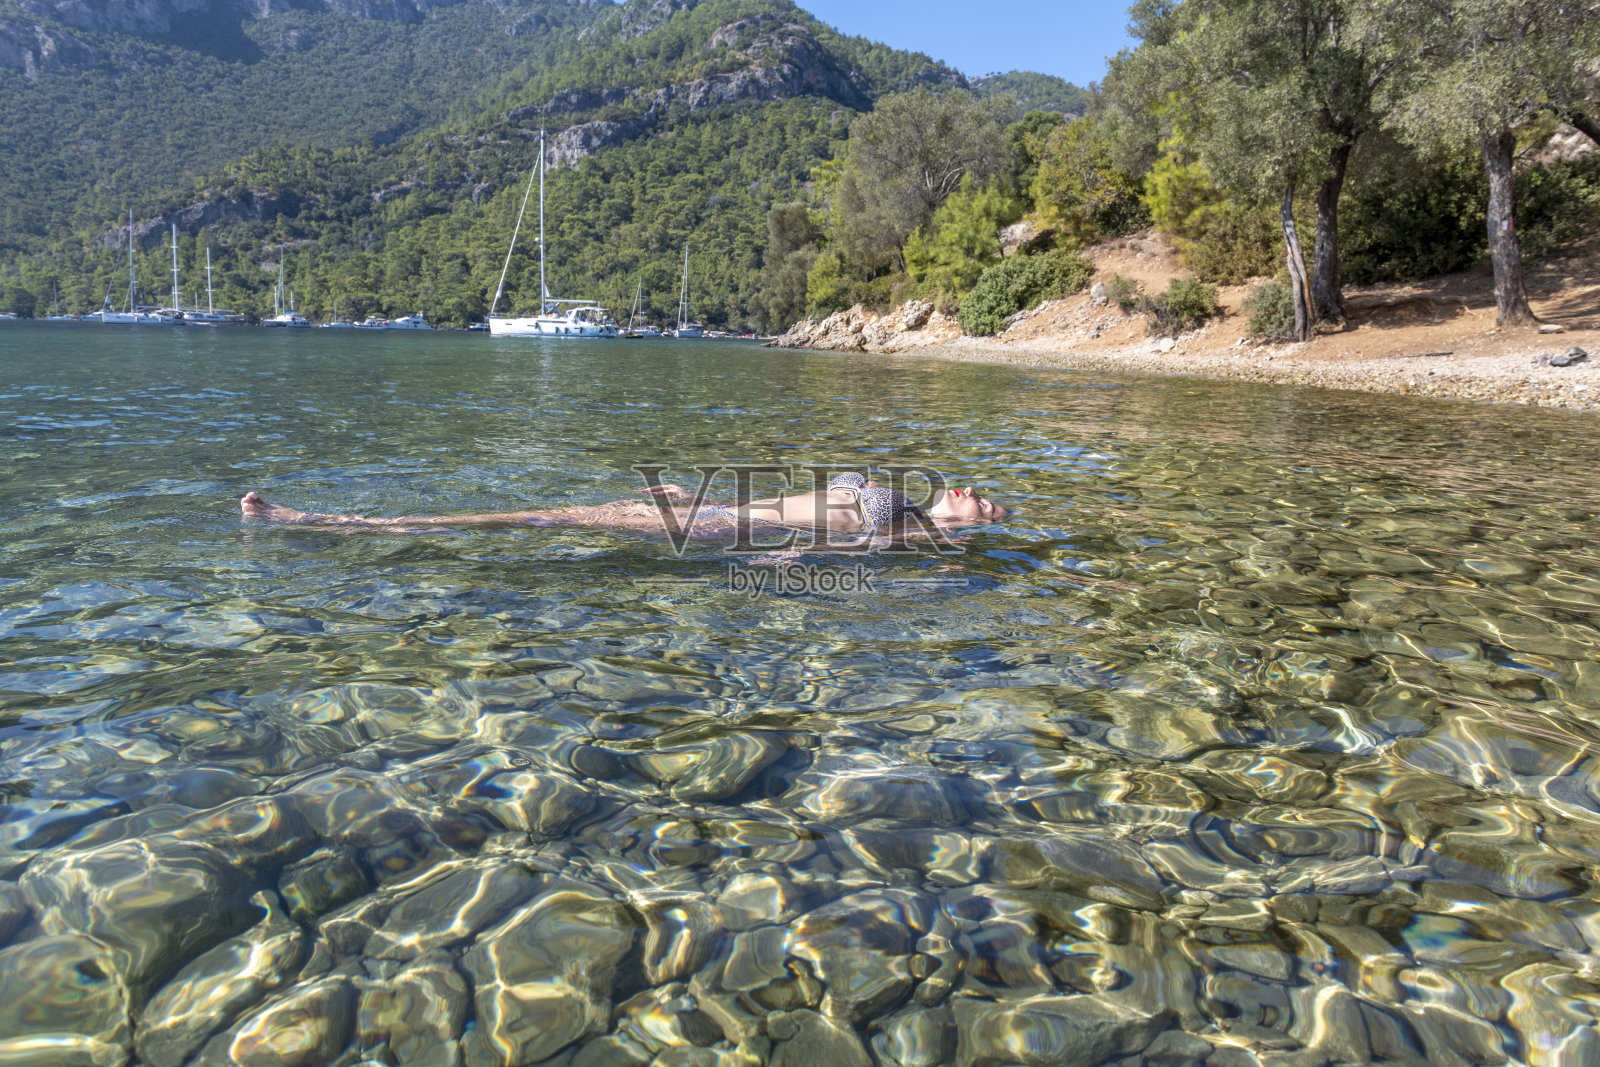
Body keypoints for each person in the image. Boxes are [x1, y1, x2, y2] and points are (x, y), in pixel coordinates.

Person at [238, 472, 1006, 539]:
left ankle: (320, 523)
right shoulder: (898, 501)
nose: (970, 491)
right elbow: (791, 500)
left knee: (545, 520)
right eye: (974, 487)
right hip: (715, 512)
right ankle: (336, 522)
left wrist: (784, 555)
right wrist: (691, 490)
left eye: (984, 503)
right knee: (553, 514)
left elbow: (824, 539)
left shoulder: (907, 530)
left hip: (715, 533)